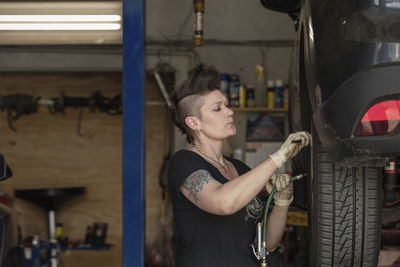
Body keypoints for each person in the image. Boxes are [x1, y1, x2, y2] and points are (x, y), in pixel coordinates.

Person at [167, 64, 311, 267]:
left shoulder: (240, 169)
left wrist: (281, 203)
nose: (229, 112)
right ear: (194, 123)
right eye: (218, 108)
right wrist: (278, 157)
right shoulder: (184, 163)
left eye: (226, 105)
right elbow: (223, 202)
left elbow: (267, 243)